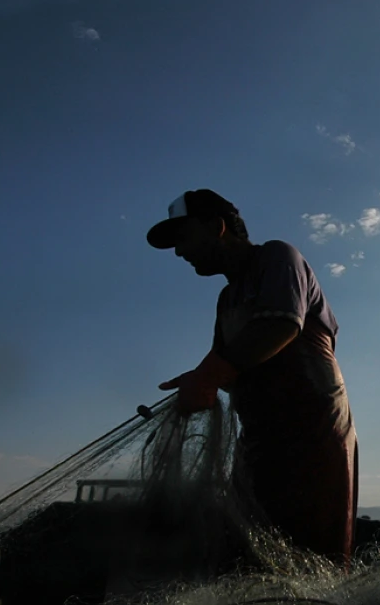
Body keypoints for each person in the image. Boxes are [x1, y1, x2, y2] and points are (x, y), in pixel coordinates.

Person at [147, 189, 359, 567]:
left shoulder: (278, 257)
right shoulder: (227, 299)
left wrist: (209, 375)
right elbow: (224, 366)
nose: (179, 252)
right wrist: (195, 382)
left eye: (183, 237)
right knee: (250, 553)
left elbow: (281, 324)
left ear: (217, 226)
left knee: (313, 559)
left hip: (314, 437)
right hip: (260, 443)